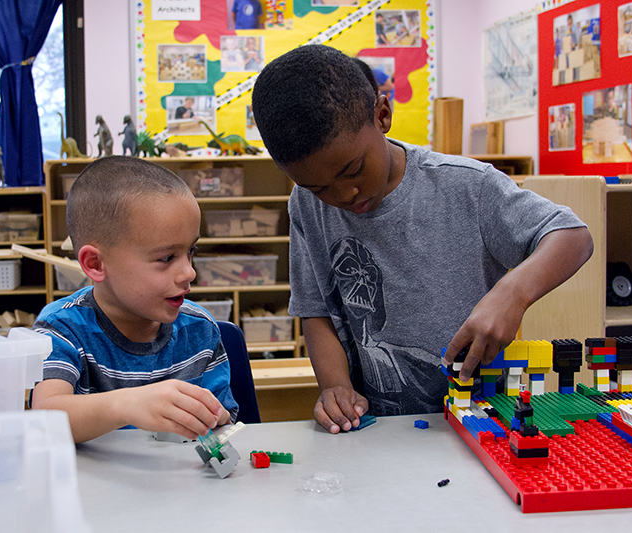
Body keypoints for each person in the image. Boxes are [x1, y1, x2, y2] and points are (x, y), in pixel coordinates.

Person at [251, 45, 593, 434]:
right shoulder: (307, 205)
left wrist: (513, 292)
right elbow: (315, 310)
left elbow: (572, 236)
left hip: (480, 424)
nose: (343, 195)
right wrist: (335, 387)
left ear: (382, 115)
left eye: (354, 170)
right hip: (380, 431)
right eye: (318, 187)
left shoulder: (466, 186)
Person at [31, 156, 238, 443]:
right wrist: (128, 405)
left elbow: (220, 428)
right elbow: (44, 419)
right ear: (96, 264)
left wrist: (215, 418)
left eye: (191, 251)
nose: (189, 272)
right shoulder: (62, 329)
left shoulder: (199, 329)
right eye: (166, 258)